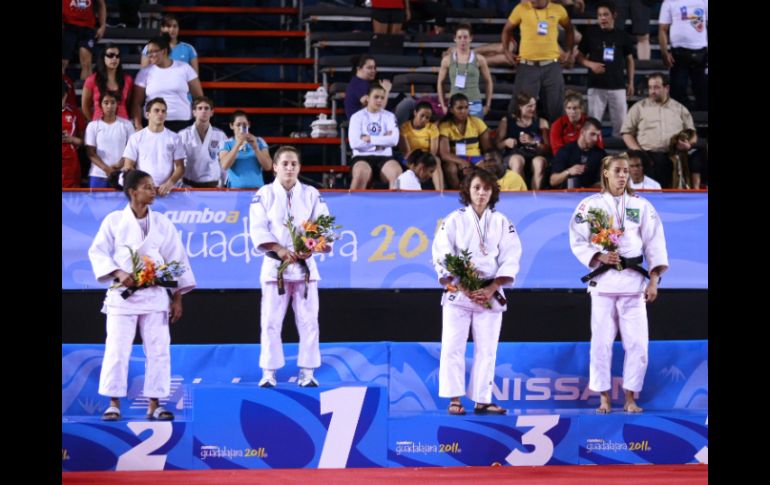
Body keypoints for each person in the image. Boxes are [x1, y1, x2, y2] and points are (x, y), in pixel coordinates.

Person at [88, 169, 196, 421]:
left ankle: (155, 403)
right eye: (147, 187)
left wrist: (177, 297)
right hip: (123, 295)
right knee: (117, 349)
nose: (153, 190)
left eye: (153, 185)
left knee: (159, 350)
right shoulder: (114, 221)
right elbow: (98, 252)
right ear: (132, 192)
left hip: (156, 294)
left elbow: (177, 258)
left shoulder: (162, 223)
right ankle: (113, 402)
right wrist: (117, 271)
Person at [568, 153, 668, 414]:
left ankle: (630, 397)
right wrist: (599, 255)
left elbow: (655, 244)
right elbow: (577, 239)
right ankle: (603, 397)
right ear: (606, 173)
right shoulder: (590, 205)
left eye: (626, 171)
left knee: (638, 344)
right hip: (603, 283)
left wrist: (654, 281)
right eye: (618, 171)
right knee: (600, 343)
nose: (623, 175)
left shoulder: (642, 205)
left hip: (634, 284)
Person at [432, 168, 522, 416]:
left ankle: (483, 399)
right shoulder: (454, 220)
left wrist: (492, 287)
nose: (481, 193)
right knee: (452, 347)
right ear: (467, 191)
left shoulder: (502, 222)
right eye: (476, 188)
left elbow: (512, 256)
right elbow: (441, 254)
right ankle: (454, 399)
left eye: (486, 189)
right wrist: (463, 286)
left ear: (493, 192)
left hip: (490, 293)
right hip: (460, 292)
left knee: (487, 349)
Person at [248, 146, 332, 388]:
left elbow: (322, 224)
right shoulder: (264, 194)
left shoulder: (311, 194)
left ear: (299, 167)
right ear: (274, 167)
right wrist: (279, 248)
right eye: (284, 163)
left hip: (305, 267)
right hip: (277, 267)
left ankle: (307, 372)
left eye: (294, 163)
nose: (289, 167)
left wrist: (312, 245)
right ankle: (269, 372)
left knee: (309, 321)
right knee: (271, 321)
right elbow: (258, 228)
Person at [501, 0, 575, 123]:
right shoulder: (521, 8)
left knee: (556, 109)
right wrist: (506, 51)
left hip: (552, 66)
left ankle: (556, 140)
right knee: (519, 108)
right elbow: (506, 30)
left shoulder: (558, 9)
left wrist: (569, 50)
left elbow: (569, 29)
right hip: (527, 66)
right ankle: (517, 139)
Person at [576, 1, 635, 138]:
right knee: (593, 126)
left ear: (614, 15)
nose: (602, 18)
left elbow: (630, 60)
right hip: (596, 86)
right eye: (599, 15)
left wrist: (631, 82)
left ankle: (619, 157)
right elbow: (579, 56)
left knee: (621, 127)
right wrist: (590, 64)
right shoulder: (590, 34)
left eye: (605, 15)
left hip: (618, 86)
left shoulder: (622, 35)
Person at [132, 34, 203, 133]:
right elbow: (137, 103)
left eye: (154, 51)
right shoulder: (144, 73)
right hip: (153, 124)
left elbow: (199, 98)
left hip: (183, 124)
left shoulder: (185, 68)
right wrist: (138, 125)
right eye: (149, 52)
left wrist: (200, 123)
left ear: (164, 51)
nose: (150, 55)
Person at [122, 97, 185, 196]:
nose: (160, 114)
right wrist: (141, 184)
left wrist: (169, 183)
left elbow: (180, 167)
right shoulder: (135, 138)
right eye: (156, 110)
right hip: (143, 191)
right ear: (147, 114)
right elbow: (128, 166)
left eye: (163, 111)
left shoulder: (175, 138)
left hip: (168, 191)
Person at [348, 83, 402, 189]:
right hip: (361, 157)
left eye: (382, 98)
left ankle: (396, 204)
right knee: (361, 173)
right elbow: (354, 143)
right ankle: (352, 204)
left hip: (385, 157)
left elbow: (394, 140)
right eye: (376, 97)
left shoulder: (390, 116)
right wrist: (380, 143)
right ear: (368, 98)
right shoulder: (356, 117)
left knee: (397, 173)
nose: (379, 100)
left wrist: (370, 139)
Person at [658, 0, 708, 111]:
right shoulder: (669, 2)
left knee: (704, 94)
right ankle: (683, 123)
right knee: (677, 95)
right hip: (678, 54)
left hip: (701, 53)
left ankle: (703, 126)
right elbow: (662, 29)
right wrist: (664, 52)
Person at [437, 24, 494, 119]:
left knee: (474, 133)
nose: (462, 40)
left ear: (470, 38)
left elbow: (488, 81)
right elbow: (440, 82)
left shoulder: (479, 59)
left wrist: (488, 105)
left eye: (465, 37)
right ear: (455, 39)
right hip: (455, 105)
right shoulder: (447, 60)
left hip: (474, 104)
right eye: (459, 37)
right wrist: (443, 105)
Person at [495, 91, 550, 190]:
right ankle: (521, 195)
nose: (533, 109)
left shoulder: (542, 122)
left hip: (534, 154)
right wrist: (506, 142)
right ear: (520, 106)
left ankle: (535, 196)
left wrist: (534, 141)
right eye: (529, 106)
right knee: (517, 160)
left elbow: (547, 148)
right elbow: (497, 146)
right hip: (513, 155)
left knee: (539, 162)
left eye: (534, 105)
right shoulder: (506, 121)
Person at [438, 93, 492, 190]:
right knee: (450, 168)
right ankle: (458, 193)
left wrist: (484, 162)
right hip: (455, 158)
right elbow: (444, 154)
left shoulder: (477, 122)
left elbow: (488, 148)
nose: (464, 111)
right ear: (451, 110)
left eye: (466, 107)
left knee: (488, 167)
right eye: (459, 108)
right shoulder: (445, 126)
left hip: (476, 157)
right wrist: (461, 162)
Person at [84, 91, 135, 188]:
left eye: (113, 102)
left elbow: (132, 149)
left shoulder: (127, 125)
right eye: (106, 103)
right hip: (98, 174)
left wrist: (121, 163)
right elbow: (91, 153)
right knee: (96, 203)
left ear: (117, 104)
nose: (109, 106)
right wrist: (107, 169)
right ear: (100, 105)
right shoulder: (93, 126)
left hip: (122, 174)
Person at [179, 96, 228, 188]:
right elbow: (178, 163)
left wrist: (226, 184)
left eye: (206, 108)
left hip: (214, 185)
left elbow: (224, 163)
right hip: (189, 186)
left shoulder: (220, 135)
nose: (203, 111)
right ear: (194, 112)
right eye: (200, 108)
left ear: (212, 112)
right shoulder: (183, 135)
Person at [219, 111, 273, 189]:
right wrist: (238, 144)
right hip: (234, 191)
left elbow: (268, 166)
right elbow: (224, 165)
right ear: (231, 126)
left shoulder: (259, 141)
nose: (241, 128)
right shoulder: (226, 143)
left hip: (257, 190)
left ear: (249, 125)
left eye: (244, 125)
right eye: (238, 125)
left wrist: (256, 148)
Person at [398, 100, 444, 190]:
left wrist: (426, 159)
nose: (424, 120)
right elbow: (406, 152)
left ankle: (440, 192)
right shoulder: (404, 127)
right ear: (415, 113)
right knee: (420, 164)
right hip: (410, 157)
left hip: (426, 157)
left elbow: (433, 152)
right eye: (422, 116)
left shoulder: (432, 128)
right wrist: (420, 161)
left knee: (436, 160)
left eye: (427, 118)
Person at [82, 43, 134, 121]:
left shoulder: (127, 80)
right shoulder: (91, 80)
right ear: (103, 57)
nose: (114, 58)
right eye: (110, 55)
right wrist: (95, 122)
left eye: (117, 56)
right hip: (99, 125)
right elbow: (85, 106)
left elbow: (129, 104)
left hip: (122, 125)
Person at [550, 117, 606, 189]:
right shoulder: (566, 151)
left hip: (590, 195)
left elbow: (605, 181)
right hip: (566, 195)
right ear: (582, 132)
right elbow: (553, 181)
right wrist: (568, 172)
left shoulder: (600, 154)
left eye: (597, 135)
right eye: (592, 134)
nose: (595, 139)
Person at [62, 0, 107, 80]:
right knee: (63, 62)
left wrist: (102, 26)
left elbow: (101, 4)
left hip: (87, 28)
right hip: (67, 27)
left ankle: (86, 91)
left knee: (86, 63)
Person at [549, 91, 604, 156]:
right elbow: (556, 150)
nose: (572, 112)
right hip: (565, 159)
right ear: (565, 109)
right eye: (569, 108)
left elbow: (599, 146)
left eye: (575, 108)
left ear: (581, 109)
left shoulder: (591, 123)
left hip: (588, 156)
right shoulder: (557, 124)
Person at [344, 55, 392, 120]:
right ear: (359, 69)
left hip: (366, 121)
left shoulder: (357, 81)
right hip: (363, 123)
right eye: (369, 68)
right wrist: (386, 90)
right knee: (407, 104)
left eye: (374, 68)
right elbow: (377, 110)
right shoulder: (359, 84)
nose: (373, 71)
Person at [62, 80, 87, 188]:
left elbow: (83, 141)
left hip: (70, 162)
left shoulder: (74, 112)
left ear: (66, 95)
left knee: (71, 198)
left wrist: (71, 139)